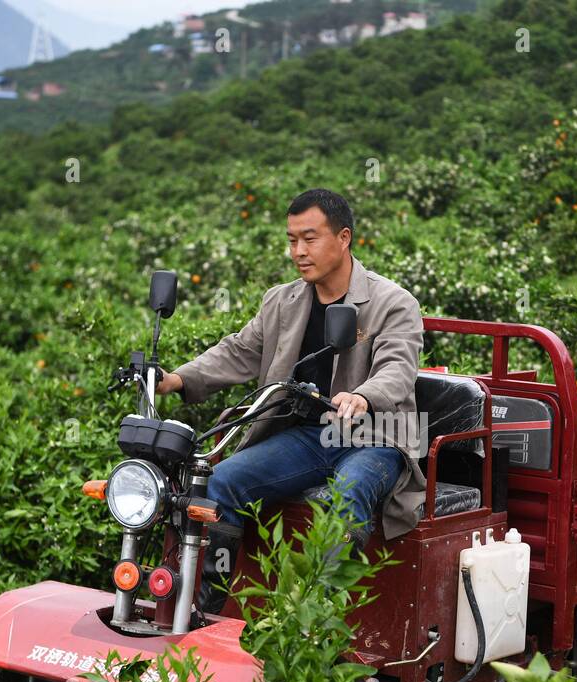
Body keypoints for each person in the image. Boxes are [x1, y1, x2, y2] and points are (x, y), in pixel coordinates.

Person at [158, 188, 428, 613]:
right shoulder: (282, 300)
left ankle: (319, 619)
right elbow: (239, 351)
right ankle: (208, 610)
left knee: (348, 493)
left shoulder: (393, 302)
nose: (298, 251)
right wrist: (176, 378)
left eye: (310, 238)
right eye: (291, 240)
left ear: (343, 238)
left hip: (375, 435)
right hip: (307, 435)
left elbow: (397, 369)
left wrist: (361, 396)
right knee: (222, 481)